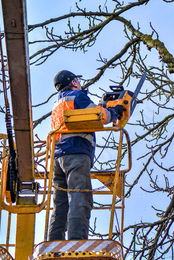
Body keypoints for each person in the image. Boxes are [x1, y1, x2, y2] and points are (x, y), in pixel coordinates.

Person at [48, 70, 125, 241]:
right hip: (76, 153)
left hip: (59, 157)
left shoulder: (58, 104)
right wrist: (115, 111)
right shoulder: (77, 97)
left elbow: (88, 115)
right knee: (79, 196)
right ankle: (77, 241)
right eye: (78, 81)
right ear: (74, 82)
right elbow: (99, 116)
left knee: (60, 204)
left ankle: (53, 242)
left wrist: (102, 106)